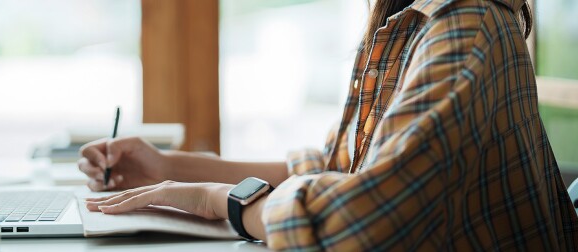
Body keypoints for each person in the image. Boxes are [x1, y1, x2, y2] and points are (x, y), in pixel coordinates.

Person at [78, 0, 578, 250]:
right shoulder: (413, 21)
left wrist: (220, 201)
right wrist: (168, 167)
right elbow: (336, 166)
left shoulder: (466, 30)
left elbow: (361, 219)